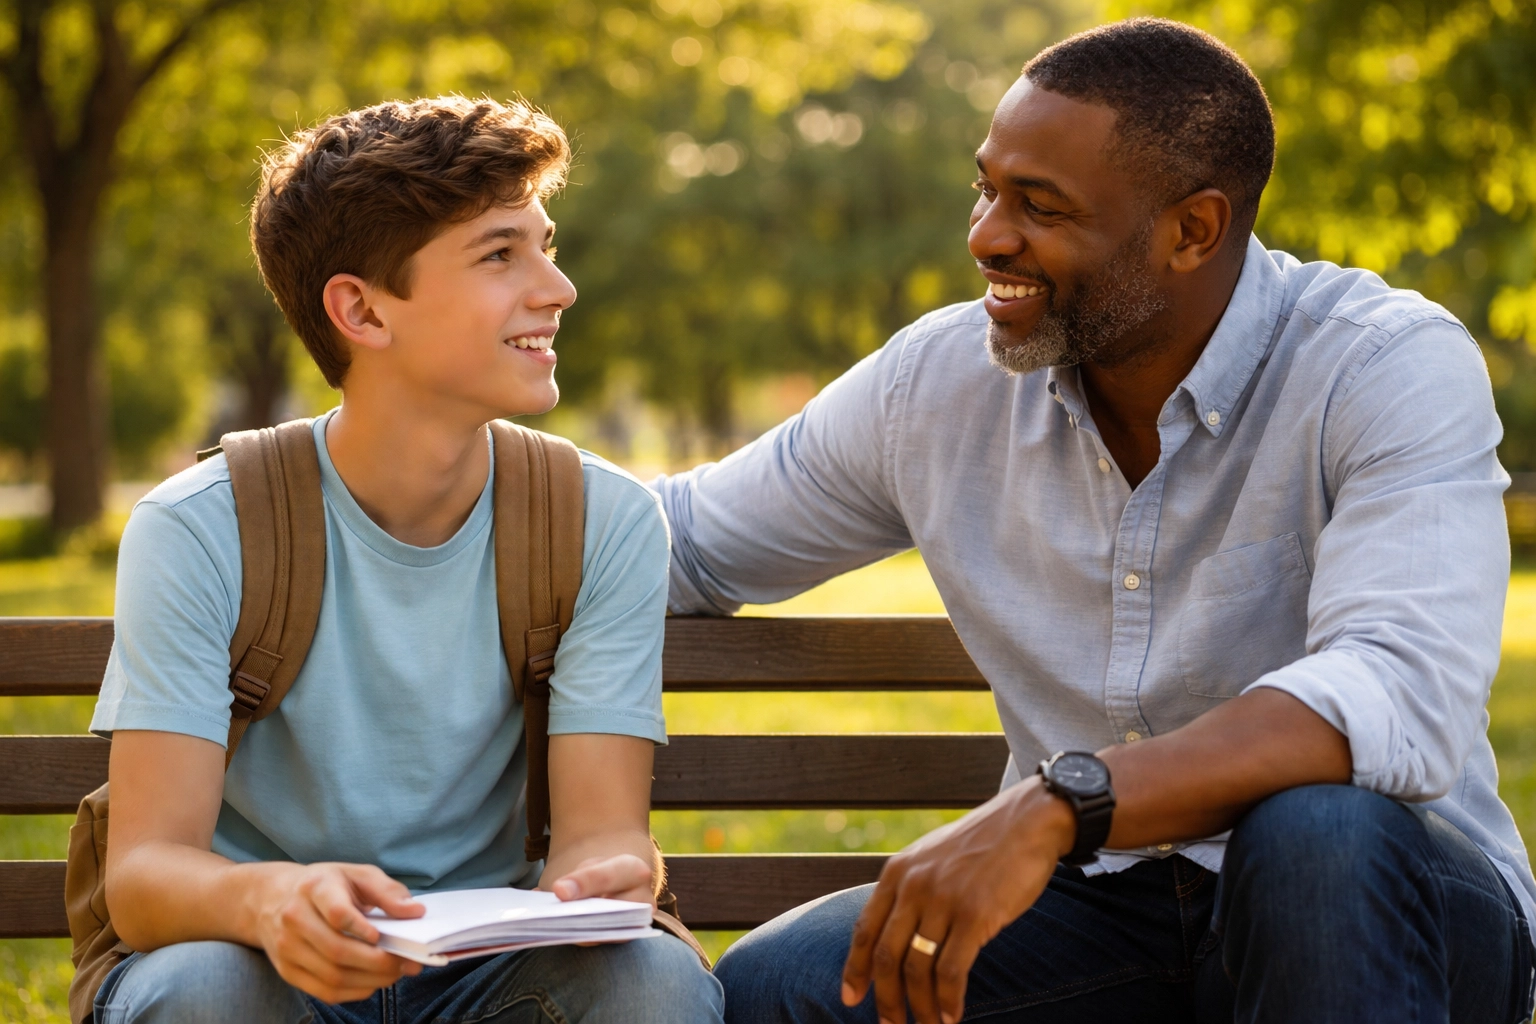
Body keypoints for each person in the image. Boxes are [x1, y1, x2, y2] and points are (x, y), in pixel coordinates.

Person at [652, 18, 1536, 1024]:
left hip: (1381, 903)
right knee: (789, 986)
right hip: (1101, 900)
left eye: (1040, 206)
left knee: (1316, 831)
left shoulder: (1381, 365)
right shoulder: (936, 385)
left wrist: (1062, 801)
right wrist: (446, 424)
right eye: (986, 187)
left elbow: (1396, 690)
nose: (986, 234)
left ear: (1192, 229)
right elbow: (680, 537)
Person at [87, 96, 723, 1024]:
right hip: (263, 960)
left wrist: (606, 879)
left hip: (492, 972)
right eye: (501, 254)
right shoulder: (200, 526)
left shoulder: (604, 520)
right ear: (362, 311)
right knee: (203, 994)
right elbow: (143, 877)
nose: (558, 287)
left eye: (546, 243)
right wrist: (269, 902)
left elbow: (601, 832)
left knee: (651, 988)